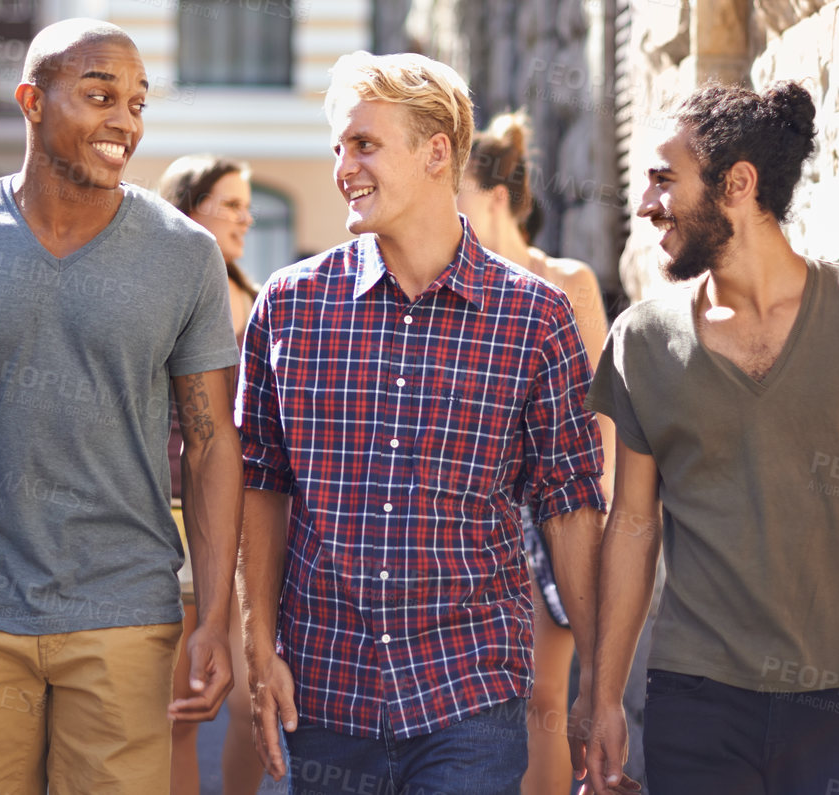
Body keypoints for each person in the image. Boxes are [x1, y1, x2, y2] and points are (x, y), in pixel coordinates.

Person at [0, 20, 244, 794]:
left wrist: (217, 617)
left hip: (126, 615)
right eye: (99, 95)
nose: (123, 120)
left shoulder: (183, 253)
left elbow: (211, 442)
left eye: (136, 101)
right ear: (32, 100)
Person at [585, 81, 839, 795]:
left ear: (737, 183)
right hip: (695, 694)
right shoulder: (641, 340)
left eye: (664, 181)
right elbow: (634, 524)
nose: (645, 207)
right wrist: (604, 695)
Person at [238, 52, 608, 795]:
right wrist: (256, 639)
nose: (344, 167)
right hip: (327, 692)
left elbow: (568, 505)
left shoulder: (533, 317)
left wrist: (599, 679)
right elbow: (262, 484)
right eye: (339, 147)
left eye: (364, 144)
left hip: (469, 695)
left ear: (437, 152)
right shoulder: (289, 306)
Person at [458, 111, 616, 795]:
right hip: (477, 516)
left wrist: (595, 511)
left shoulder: (567, 281)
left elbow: (605, 410)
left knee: (545, 695)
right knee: (485, 699)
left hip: (551, 514)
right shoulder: (455, 284)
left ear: (495, 198)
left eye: (455, 193)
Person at [154, 155, 266, 795]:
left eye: (248, 204)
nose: (245, 217)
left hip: (252, 523)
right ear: (188, 209)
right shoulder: (160, 296)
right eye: (231, 204)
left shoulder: (258, 299)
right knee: (181, 715)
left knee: (255, 704)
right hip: (177, 515)